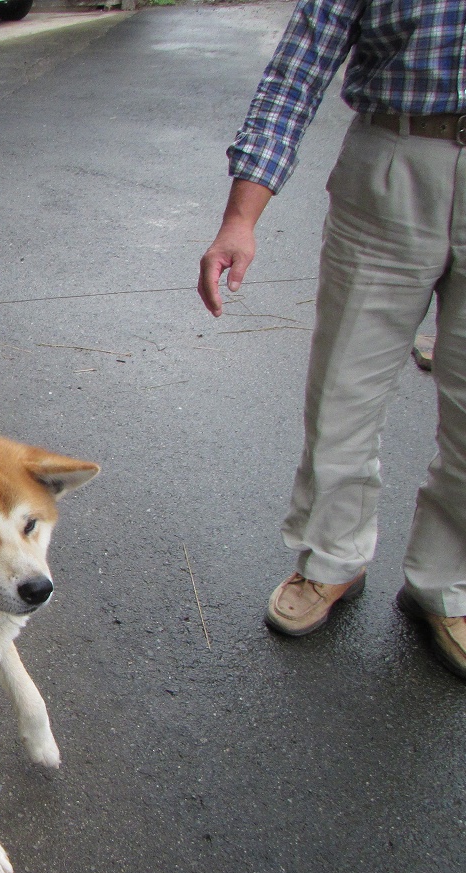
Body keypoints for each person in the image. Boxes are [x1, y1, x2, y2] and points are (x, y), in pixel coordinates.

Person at [197, 0, 466, 680]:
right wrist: (240, 216)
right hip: (394, 159)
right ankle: (332, 560)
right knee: (344, 388)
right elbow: (297, 74)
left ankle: (447, 582)